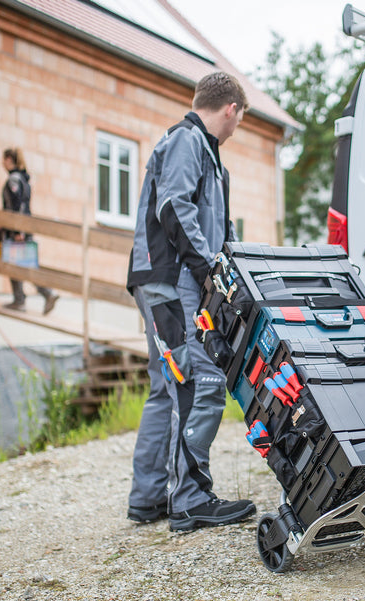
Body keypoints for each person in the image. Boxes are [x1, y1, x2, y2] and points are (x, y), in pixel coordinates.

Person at [125, 72, 255, 531]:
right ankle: (190, 499)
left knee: (168, 386)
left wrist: (234, 272)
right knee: (199, 382)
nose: (237, 127)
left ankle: (148, 498)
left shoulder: (211, 158)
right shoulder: (187, 140)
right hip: (170, 280)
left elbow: (219, 229)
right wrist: (209, 274)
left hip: (168, 279)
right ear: (231, 108)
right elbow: (173, 207)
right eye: (241, 118)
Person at [1, 147, 59, 315]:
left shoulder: (13, 180)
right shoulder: (23, 179)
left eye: (4, 159)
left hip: (18, 230)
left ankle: (24, 299)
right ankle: (45, 294)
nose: (2, 163)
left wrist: (17, 230)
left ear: (9, 160)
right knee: (24, 264)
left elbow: (16, 204)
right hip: (24, 228)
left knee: (15, 264)